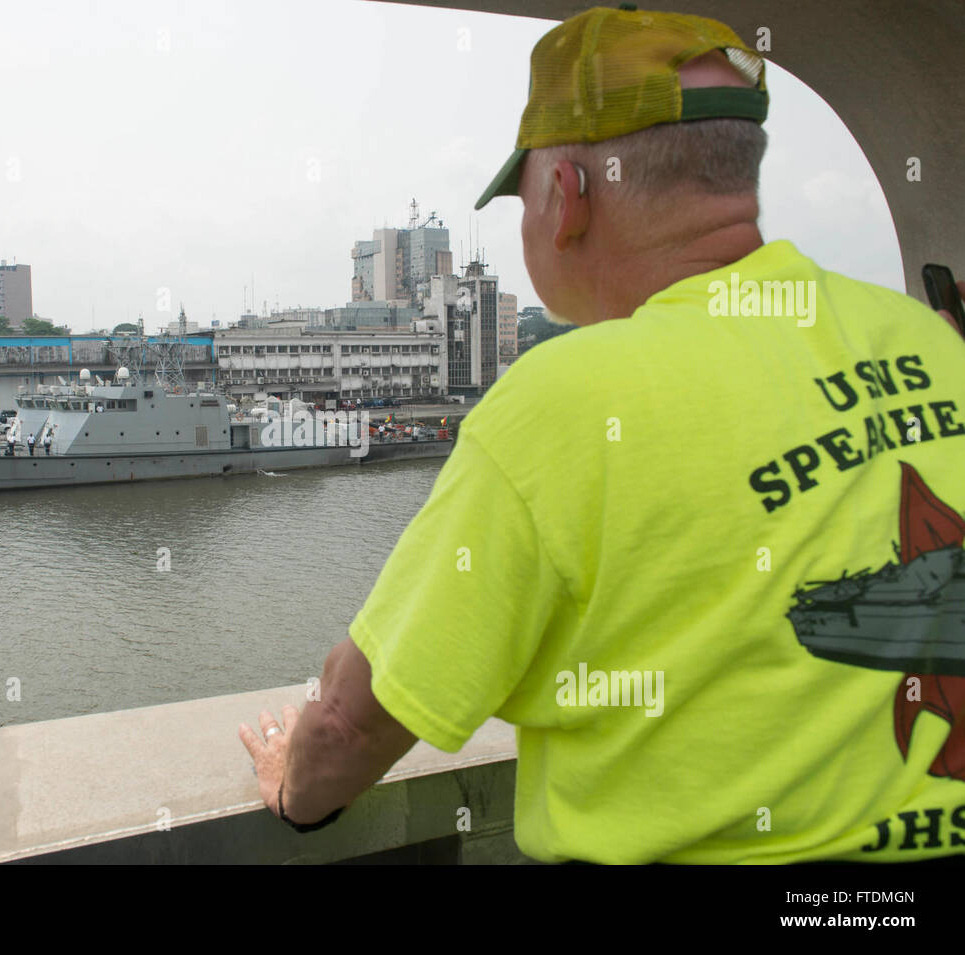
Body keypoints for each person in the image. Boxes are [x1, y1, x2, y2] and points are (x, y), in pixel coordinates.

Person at [240, 6, 965, 864]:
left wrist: (294, 788)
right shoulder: (928, 338)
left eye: (524, 194)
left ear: (566, 197)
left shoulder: (563, 400)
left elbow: (354, 724)